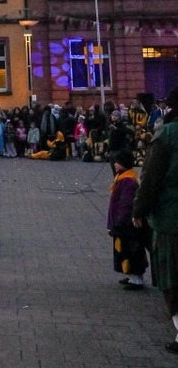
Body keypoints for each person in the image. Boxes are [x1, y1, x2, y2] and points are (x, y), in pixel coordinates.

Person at [133, 85, 178, 354]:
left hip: (171, 218)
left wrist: (139, 209)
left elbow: (151, 177)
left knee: (172, 277)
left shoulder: (168, 134)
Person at [107, 148, 148, 290]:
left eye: (118, 162)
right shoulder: (123, 178)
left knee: (131, 250)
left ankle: (136, 279)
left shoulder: (128, 181)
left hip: (126, 224)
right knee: (124, 250)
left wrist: (119, 222)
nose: (115, 164)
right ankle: (130, 275)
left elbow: (126, 204)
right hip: (122, 223)